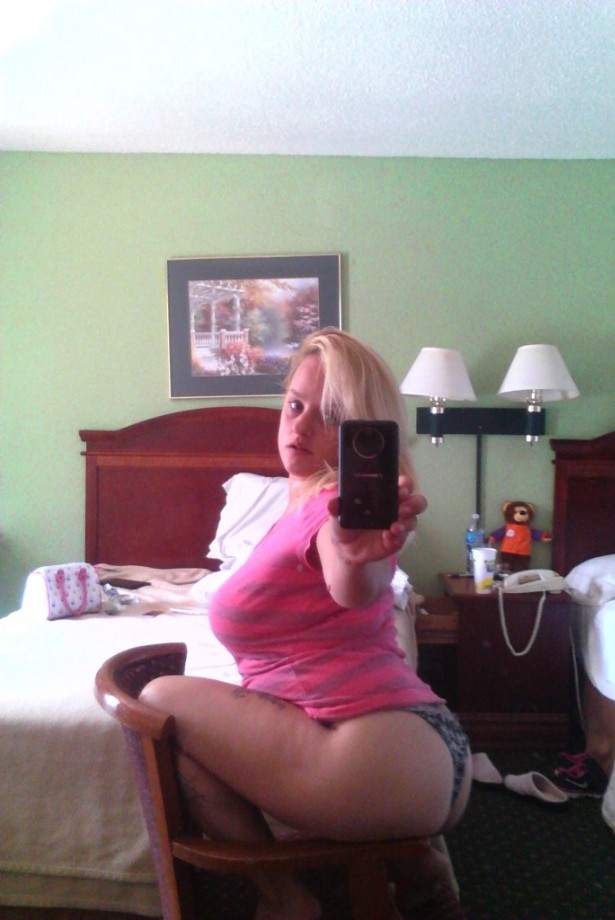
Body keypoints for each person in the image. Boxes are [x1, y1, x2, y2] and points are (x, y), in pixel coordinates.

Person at [141, 328, 472, 920]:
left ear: (363, 434)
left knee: (158, 696)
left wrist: (358, 554)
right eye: (295, 405)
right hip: (418, 744)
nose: (300, 426)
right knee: (181, 748)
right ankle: (413, 867)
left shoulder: (329, 508)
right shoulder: (294, 505)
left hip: (375, 751)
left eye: (331, 416)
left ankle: (287, 902)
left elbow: (354, 587)